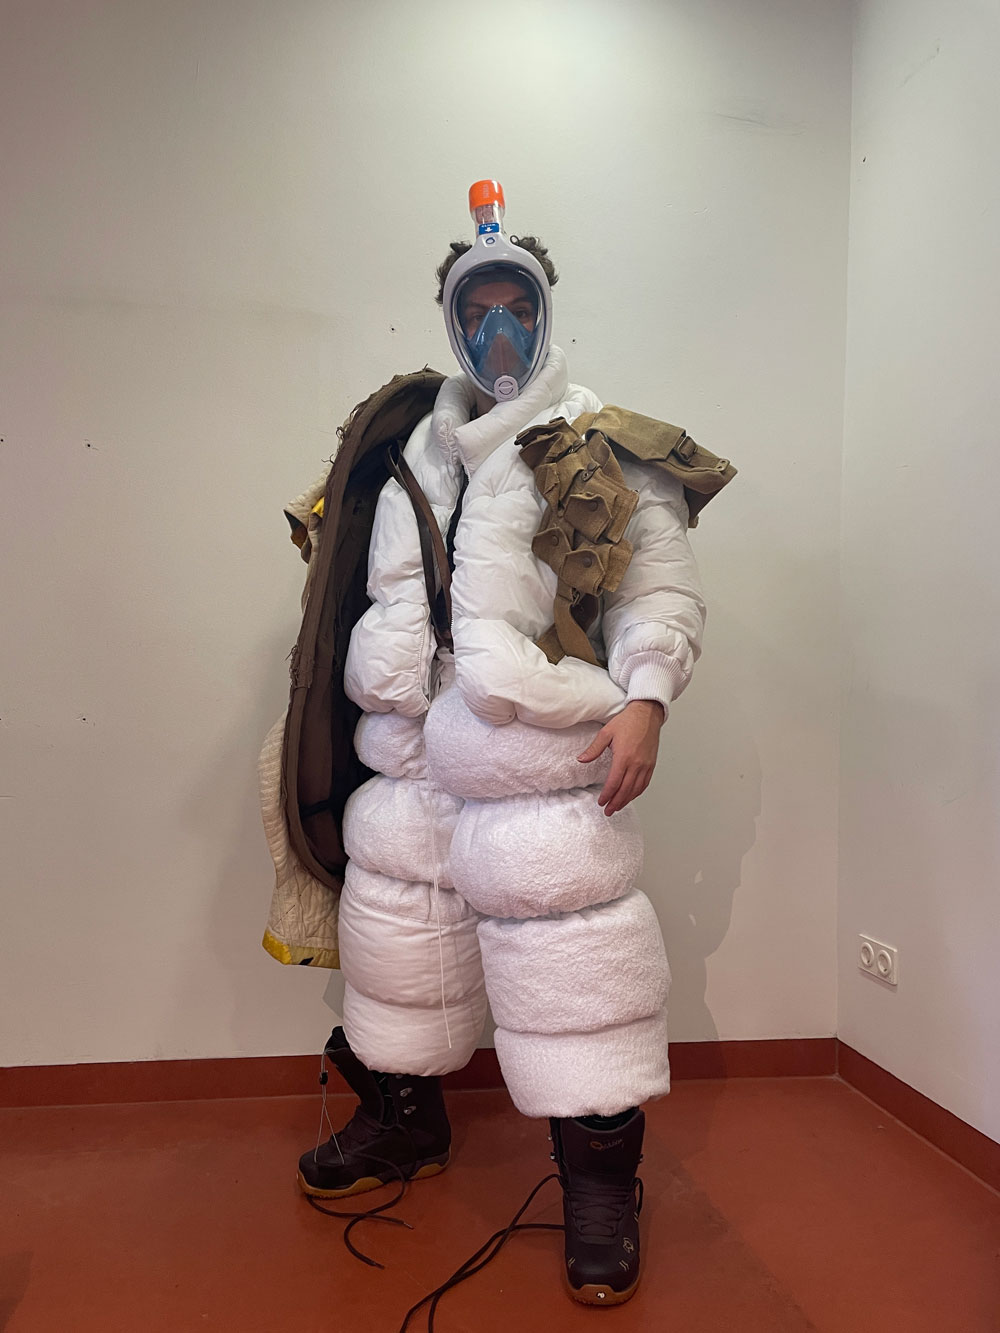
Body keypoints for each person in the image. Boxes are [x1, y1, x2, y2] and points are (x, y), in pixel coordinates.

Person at [295, 180, 707, 1307]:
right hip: (409, 751)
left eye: (515, 307)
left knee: (573, 971)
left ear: (543, 310)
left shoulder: (598, 443)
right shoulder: (405, 454)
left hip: (537, 753)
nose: (498, 333)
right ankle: (406, 1120)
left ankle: (600, 1189)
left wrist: (648, 697)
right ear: (449, 321)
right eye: (476, 311)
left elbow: (658, 588)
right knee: (398, 953)